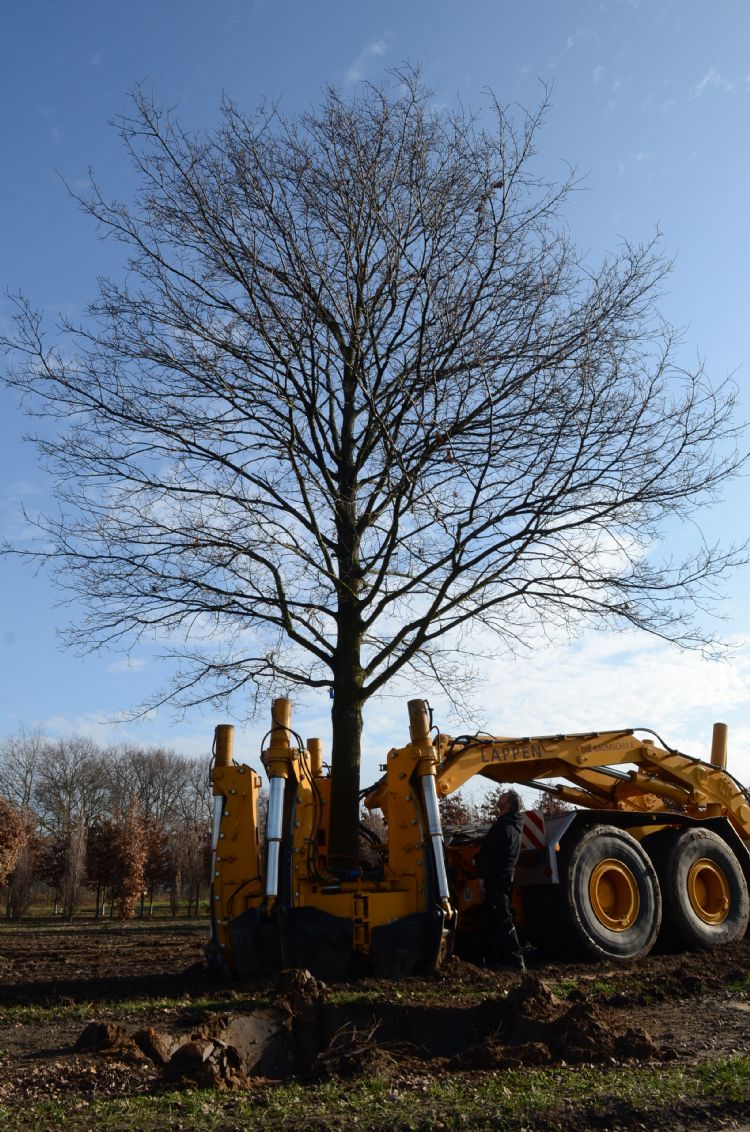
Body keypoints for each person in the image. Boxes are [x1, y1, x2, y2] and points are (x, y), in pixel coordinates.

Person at [476, 789, 526, 971]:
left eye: (503, 797)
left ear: (509, 804)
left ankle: (515, 960)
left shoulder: (502, 826)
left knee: (502, 919)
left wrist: (481, 878)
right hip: (505, 878)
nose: (499, 798)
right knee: (492, 919)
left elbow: (490, 855)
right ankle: (492, 960)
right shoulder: (515, 826)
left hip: (496, 879)